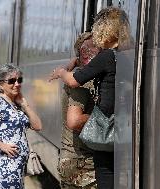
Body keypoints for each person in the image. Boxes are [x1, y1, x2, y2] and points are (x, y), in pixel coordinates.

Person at [49, 7, 131, 189]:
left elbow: (73, 80)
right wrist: (76, 62)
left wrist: (62, 71)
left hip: (104, 127)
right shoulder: (125, 57)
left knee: (104, 172)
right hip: (121, 125)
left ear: (104, 30)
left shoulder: (107, 56)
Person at [58, 32, 100, 189]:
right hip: (83, 163)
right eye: (97, 47)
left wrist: (75, 61)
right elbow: (75, 121)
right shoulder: (82, 81)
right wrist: (107, 118)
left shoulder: (77, 75)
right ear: (84, 52)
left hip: (71, 160)